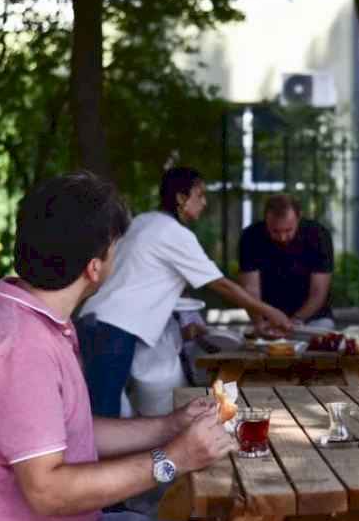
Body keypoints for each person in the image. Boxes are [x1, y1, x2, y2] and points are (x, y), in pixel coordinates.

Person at [0, 172, 233, 521]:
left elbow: (71, 434)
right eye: (118, 249)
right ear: (95, 268)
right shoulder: (20, 344)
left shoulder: (36, 320)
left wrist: (170, 425)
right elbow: (48, 490)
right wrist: (172, 459)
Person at [79, 167, 291, 418]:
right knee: (104, 415)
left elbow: (143, 281)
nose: (204, 202)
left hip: (94, 319)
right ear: (181, 198)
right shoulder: (174, 233)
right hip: (114, 329)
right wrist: (270, 312)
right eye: (199, 195)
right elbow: (221, 284)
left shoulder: (143, 221)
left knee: (105, 411)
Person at [239, 194, 335, 334]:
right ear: (266, 219)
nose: (282, 237)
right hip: (267, 320)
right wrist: (259, 323)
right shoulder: (251, 237)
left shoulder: (318, 235)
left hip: (313, 319)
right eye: (275, 231)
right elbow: (251, 289)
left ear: (298, 217)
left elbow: (318, 292)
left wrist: (293, 322)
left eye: (288, 230)